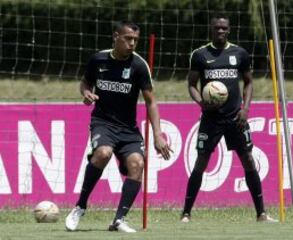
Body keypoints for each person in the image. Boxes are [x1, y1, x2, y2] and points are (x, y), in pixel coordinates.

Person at [65, 20, 172, 233]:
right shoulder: (98, 59)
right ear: (116, 36)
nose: (132, 43)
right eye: (128, 39)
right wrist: (86, 93)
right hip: (102, 123)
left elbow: (151, 101)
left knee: (137, 164)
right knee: (103, 153)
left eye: (135, 40)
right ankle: (80, 206)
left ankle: (119, 220)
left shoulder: (139, 66)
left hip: (128, 129)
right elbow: (85, 83)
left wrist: (158, 134)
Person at [181, 14, 277, 223]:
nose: (220, 31)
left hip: (236, 117)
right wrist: (201, 102)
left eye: (224, 28)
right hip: (211, 119)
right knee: (201, 161)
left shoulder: (239, 54)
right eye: (217, 28)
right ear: (211, 29)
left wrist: (246, 109)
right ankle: (186, 213)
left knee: (248, 159)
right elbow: (191, 84)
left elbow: (249, 82)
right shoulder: (200, 55)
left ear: (229, 30)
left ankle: (261, 213)